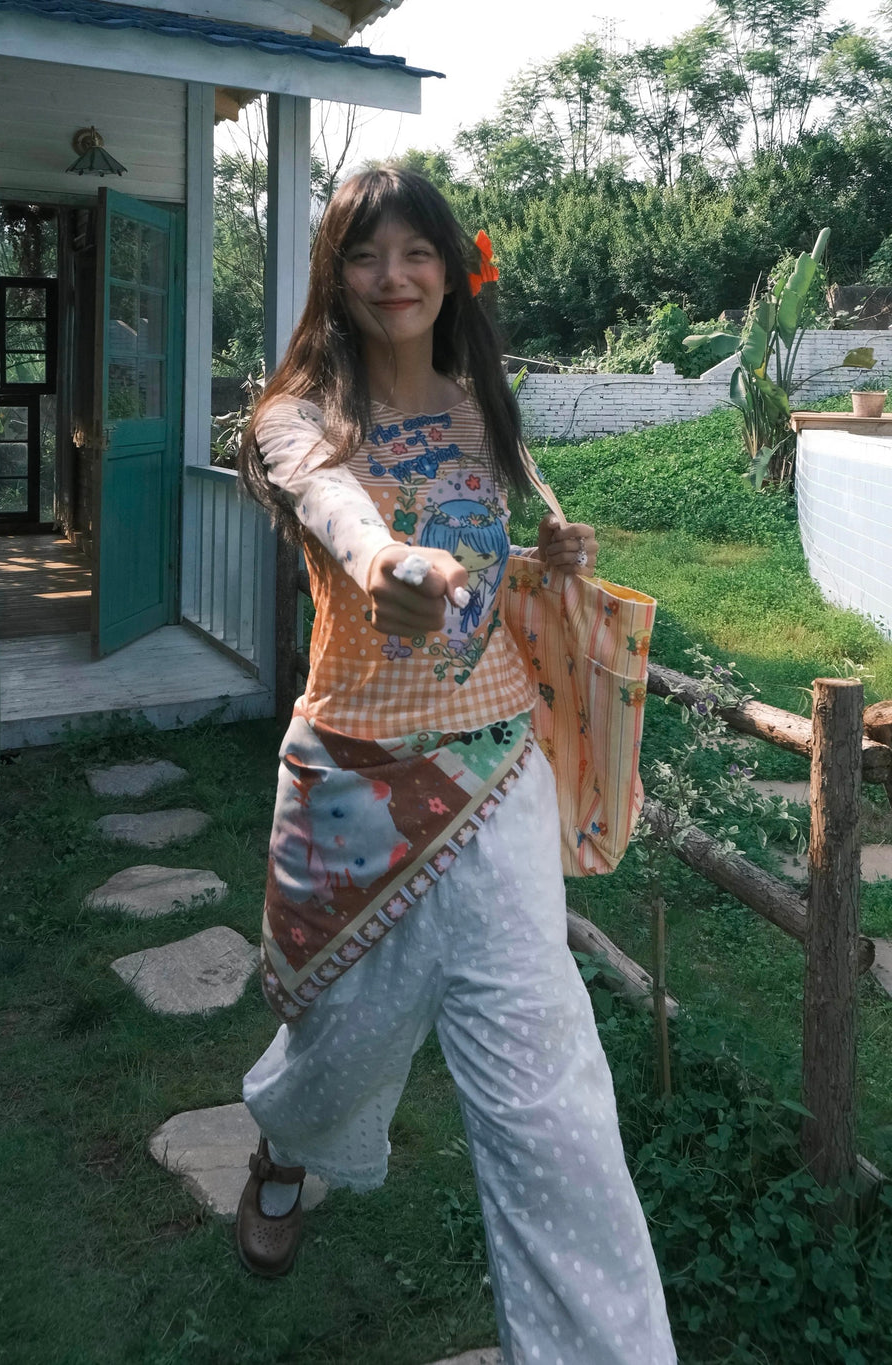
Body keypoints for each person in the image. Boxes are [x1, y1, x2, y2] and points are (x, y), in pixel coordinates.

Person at [235, 167, 677, 1365]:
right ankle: (286, 1141)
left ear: (449, 267)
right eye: (367, 255)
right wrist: (390, 568)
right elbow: (342, 515)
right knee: (341, 1038)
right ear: (338, 274)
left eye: (416, 251)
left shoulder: (489, 405)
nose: (395, 277)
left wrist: (543, 559)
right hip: (354, 781)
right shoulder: (297, 417)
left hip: (494, 774)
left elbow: (492, 577)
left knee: (552, 1101)